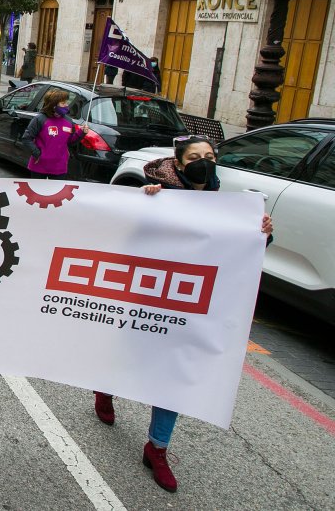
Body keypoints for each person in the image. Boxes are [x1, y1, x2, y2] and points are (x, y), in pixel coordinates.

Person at [92, 135, 274, 493]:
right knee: (127, 356)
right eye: (194, 156)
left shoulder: (226, 204)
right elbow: (125, 236)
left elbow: (243, 248)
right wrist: (145, 205)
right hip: (147, 295)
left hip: (189, 303)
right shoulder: (156, 193)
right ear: (178, 163)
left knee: (173, 374)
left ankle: (157, 448)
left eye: (209, 156)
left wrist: (262, 233)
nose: (203, 162)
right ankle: (105, 389)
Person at [20, 89, 90, 180]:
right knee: (37, 189)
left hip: (59, 167)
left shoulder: (68, 121)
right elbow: (26, 138)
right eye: (63, 103)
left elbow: (70, 141)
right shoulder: (40, 119)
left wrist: (81, 133)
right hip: (39, 166)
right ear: (53, 105)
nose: (66, 105)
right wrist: (38, 154)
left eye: (66, 102)